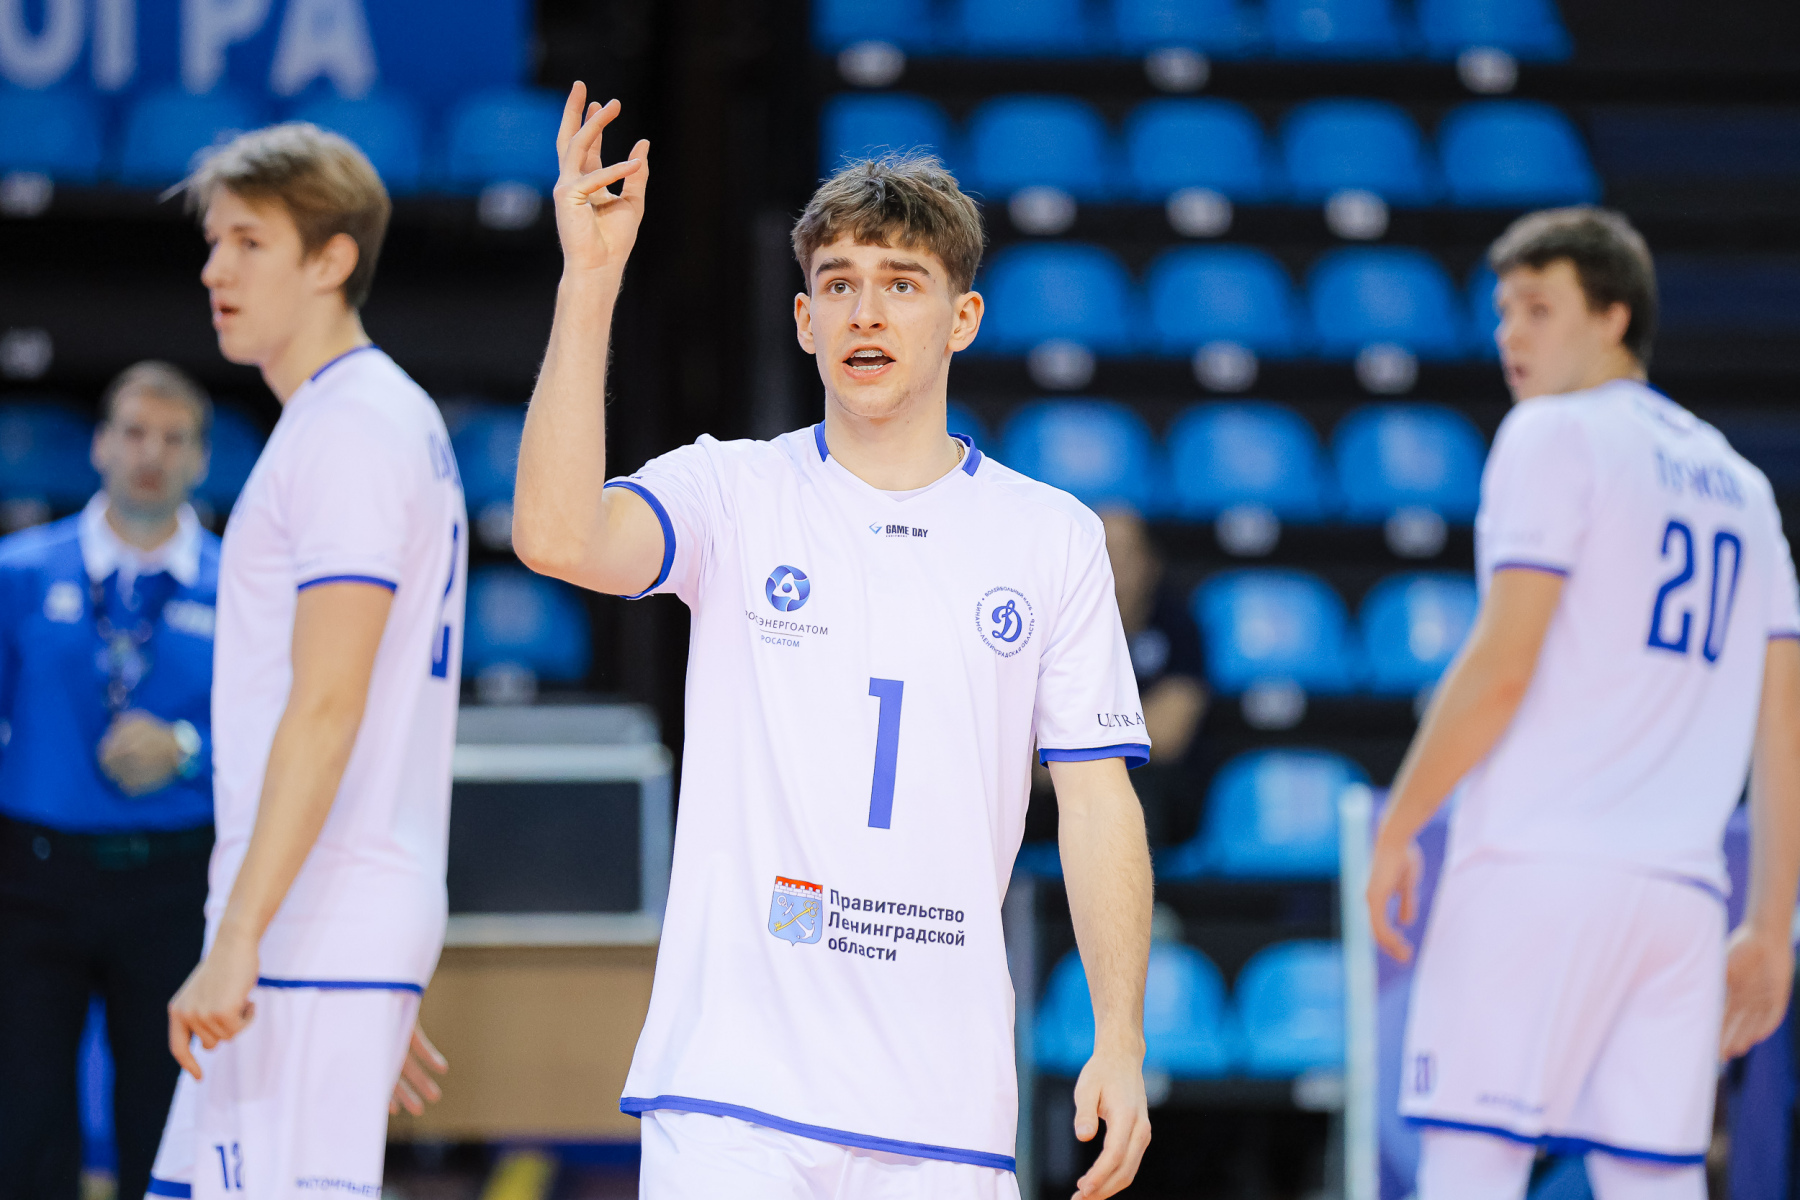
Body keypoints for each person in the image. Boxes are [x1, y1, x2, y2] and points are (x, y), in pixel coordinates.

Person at [513, 87, 1154, 1200]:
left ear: (962, 318)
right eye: (840, 284)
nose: (867, 313)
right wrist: (589, 282)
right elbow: (556, 535)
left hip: (940, 1106)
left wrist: (1121, 1035)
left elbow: (1098, 801)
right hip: (733, 1093)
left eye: (902, 284)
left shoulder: (1050, 534)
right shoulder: (733, 488)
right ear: (806, 321)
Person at [1364, 207, 1800, 1200]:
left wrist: (1403, 821)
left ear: (1614, 317)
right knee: (1656, 1183)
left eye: (1538, 308)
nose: (1508, 334)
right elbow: (1782, 723)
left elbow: (1501, 664)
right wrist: (1771, 923)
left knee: (1469, 1169)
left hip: (1537, 871)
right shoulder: (1743, 487)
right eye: (1503, 312)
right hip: (1682, 899)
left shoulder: (1553, 432)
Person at [143, 122, 462, 1199]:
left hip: (309, 921)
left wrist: (248, 940)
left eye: (248, 242)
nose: (214, 269)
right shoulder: (363, 416)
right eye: (213, 242)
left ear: (332, 260)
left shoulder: (351, 430)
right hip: (320, 930)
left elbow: (328, 704)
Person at [0, 363, 218, 1200]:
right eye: (133, 432)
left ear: (202, 459)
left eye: (173, 437)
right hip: (33, 878)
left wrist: (188, 747)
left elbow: (290, 730)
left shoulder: (244, 584)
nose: (150, 454)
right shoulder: (20, 572)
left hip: (175, 881)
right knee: (24, 1118)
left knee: (165, 1119)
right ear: (99, 445)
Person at [1101, 508, 1207, 845]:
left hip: (1158, 788)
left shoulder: (1178, 625)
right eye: (1103, 553)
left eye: (1125, 554)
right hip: (1065, 785)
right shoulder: (1050, 627)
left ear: (1152, 564)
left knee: (1135, 788)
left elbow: (1167, 734)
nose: (1114, 567)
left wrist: (1072, 742)